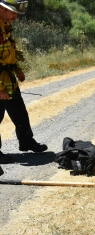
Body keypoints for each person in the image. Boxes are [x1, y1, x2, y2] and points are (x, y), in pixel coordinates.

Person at [0, 0, 47, 165]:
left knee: (20, 113)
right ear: (1, 8)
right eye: (13, 12)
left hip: (8, 80)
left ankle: (26, 142)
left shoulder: (5, 26)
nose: (16, 17)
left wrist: (18, 69)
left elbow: (8, 53)